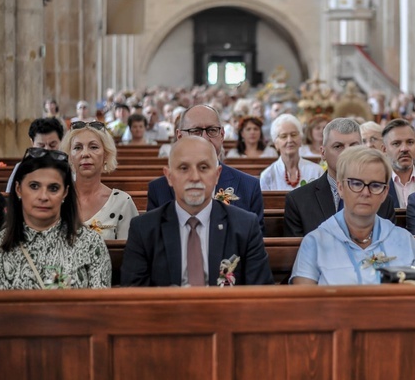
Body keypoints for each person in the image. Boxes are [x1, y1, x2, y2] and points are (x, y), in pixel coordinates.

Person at [121, 136, 274, 287]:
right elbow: (133, 298)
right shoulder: (143, 229)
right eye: (183, 168)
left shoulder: (245, 226)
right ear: (169, 176)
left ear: (217, 175)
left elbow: (261, 295)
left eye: (203, 167)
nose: (194, 177)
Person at [0, 148, 111, 290]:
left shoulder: (91, 245)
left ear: (65, 193)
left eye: (53, 188)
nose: (43, 196)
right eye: (34, 186)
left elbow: (100, 307)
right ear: (18, 189)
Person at [290, 146, 415, 285]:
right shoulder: (315, 243)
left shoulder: (405, 241)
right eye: (356, 183)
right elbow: (304, 303)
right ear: (340, 188)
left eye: (375, 185)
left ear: (385, 192)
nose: (365, 193)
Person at [146, 105, 265, 235]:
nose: (204, 138)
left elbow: (255, 245)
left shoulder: (248, 187)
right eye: (195, 131)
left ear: (222, 135)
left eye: (212, 130)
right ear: (179, 136)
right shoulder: (159, 189)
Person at [284, 118, 395, 237]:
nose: (347, 153)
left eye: (353, 146)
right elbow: (298, 252)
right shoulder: (299, 200)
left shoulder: (382, 199)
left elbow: (389, 247)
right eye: (338, 146)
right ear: (323, 153)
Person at [62, 121, 138, 240]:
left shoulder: (122, 203)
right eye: (77, 147)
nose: (85, 154)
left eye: (93, 147)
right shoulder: (58, 199)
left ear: (106, 155)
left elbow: (131, 254)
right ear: (70, 156)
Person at [259, 114, 323, 191]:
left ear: (300, 139)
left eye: (294, 135)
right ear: (276, 144)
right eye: (283, 136)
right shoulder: (267, 176)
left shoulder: (317, 171)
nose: (289, 140)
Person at [6, 117, 65, 192]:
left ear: (60, 142)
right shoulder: (21, 167)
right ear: (32, 143)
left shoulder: (66, 167)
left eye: (52, 145)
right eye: (41, 145)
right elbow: (9, 196)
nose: (47, 149)